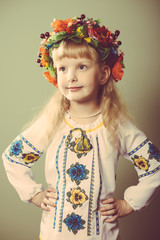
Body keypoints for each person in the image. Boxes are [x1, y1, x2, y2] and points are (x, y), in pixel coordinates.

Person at [2, 14, 160, 240]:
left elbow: (154, 165)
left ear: (103, 73)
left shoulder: (116, 124)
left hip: (101, 235)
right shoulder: (52, 121)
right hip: (54, 234)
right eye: (63, 69)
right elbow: (13, 157)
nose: (71, 77)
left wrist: (128, 204)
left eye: (82, 67)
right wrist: (34, 194)